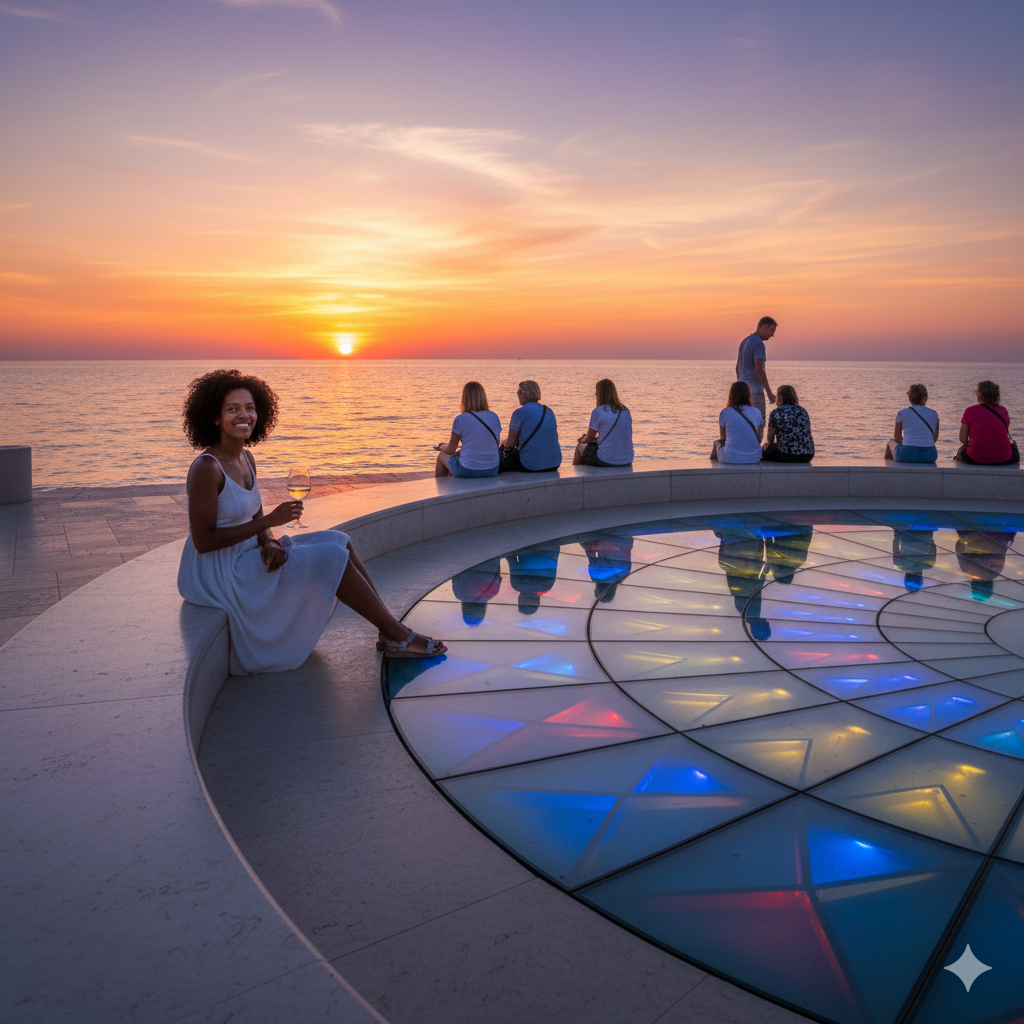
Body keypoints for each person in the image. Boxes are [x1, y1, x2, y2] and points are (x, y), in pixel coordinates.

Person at [177, 369, 446, 672]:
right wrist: (267, 522)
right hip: (217, 570)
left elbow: (254, 514)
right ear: (214, 417)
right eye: (233, 409)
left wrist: (268, 539)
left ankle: (387, 629)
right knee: (329, 556)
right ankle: (397, 636)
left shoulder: (246, 458)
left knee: (339, 541)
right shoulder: (206, 468)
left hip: (245, 550)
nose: (245, 415)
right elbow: (203, 542)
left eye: (250, 407)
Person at [434, 381, 501, 477]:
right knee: (456, 460)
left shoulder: (461, 418)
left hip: (467, 470)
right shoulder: (494, 416)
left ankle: (441, 489)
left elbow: (450, 450)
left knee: (442, 456)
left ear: (464, 398)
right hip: (492, 469)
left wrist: (441, 447)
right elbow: (493, 445)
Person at [501, 379, 562, 472]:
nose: (517, 395)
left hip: (530, 465)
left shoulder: (519, 413)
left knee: (503, 454)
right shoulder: (548, 411)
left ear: (522, 393)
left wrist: (501, 445)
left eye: (518, 391)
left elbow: (510, 443)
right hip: (554, 464)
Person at [573, 378, 634, 466]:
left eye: (596, 393)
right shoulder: (625, 410)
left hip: (606, 460)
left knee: (580, 447)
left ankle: (576, 477)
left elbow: (589, 438)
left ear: (600, 394)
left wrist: (581, 440)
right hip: (628, 459)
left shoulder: (598, 411)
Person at [955, 381, 1018, 465]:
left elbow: (963, 439)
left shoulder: (970, 411)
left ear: (980, 394)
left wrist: (978, 446)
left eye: (976, 391)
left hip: (976, 457)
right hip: (1003, 458)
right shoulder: (1003, 410)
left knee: (961, 450)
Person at [735, 316, 777, 428]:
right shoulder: (758, 344)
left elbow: (737, 367)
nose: (772, 335)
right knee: (758, 424)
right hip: (754, 390)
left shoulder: (745, 341)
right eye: (771, 331)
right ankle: (756, 445)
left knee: (744, 424)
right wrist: (769, 392)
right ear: (764, 326)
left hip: (741, 391)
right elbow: (760, 370)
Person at [884, 384, 939, 463]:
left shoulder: (902, 413)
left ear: (909, 398)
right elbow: (934, 439)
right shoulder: (934, 414)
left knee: (890, 442)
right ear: (926, 398)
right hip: (929, 455)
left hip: (907, 455)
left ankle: (887, 472)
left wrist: (908, 440)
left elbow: (897, 438)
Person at [711, 381, 763, 463]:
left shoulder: (725, 412)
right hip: (754, 457)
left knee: (717, 443)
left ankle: (713, 469)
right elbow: (759, 438)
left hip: (730, 457)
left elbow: (723, 438)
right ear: (748, 395)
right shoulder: (757, 411)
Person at [762, 384, 815, 463]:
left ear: (779, 398)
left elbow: (770, 440)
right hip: (807, 455)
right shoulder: (803, 411)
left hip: (787, 455)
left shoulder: (776, 412)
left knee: (766, 448)